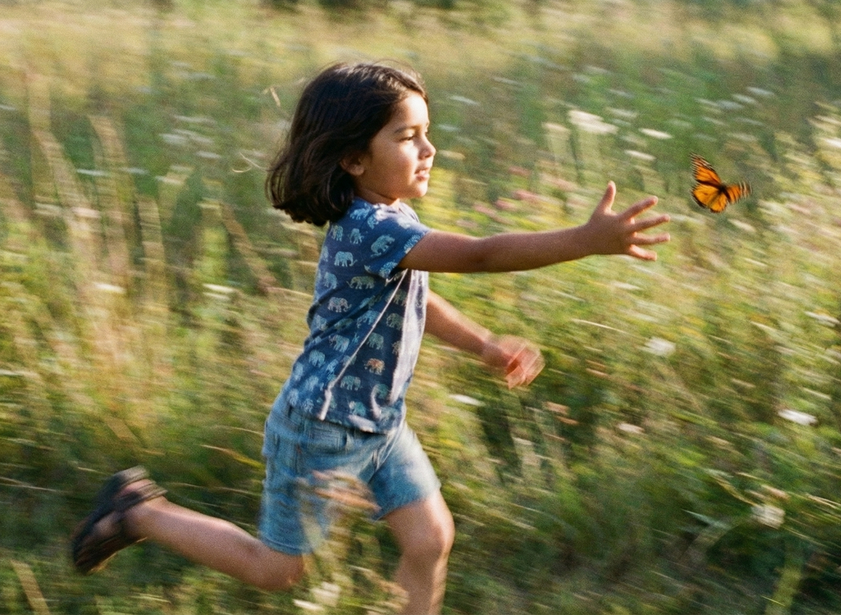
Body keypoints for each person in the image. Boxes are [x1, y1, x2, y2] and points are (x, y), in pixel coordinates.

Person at [70, 61, 670, 614]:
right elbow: (483, 255)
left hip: (379, 421)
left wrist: (483, 343)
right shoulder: (368, 228)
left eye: (426, 132)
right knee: (278, 570)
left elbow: (418, 301)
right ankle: (139, 512)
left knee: (431, 537)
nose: (429, 149)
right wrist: (584, 241)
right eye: (408, 136)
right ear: (354, 159)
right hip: (322, 425)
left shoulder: (394, 221)